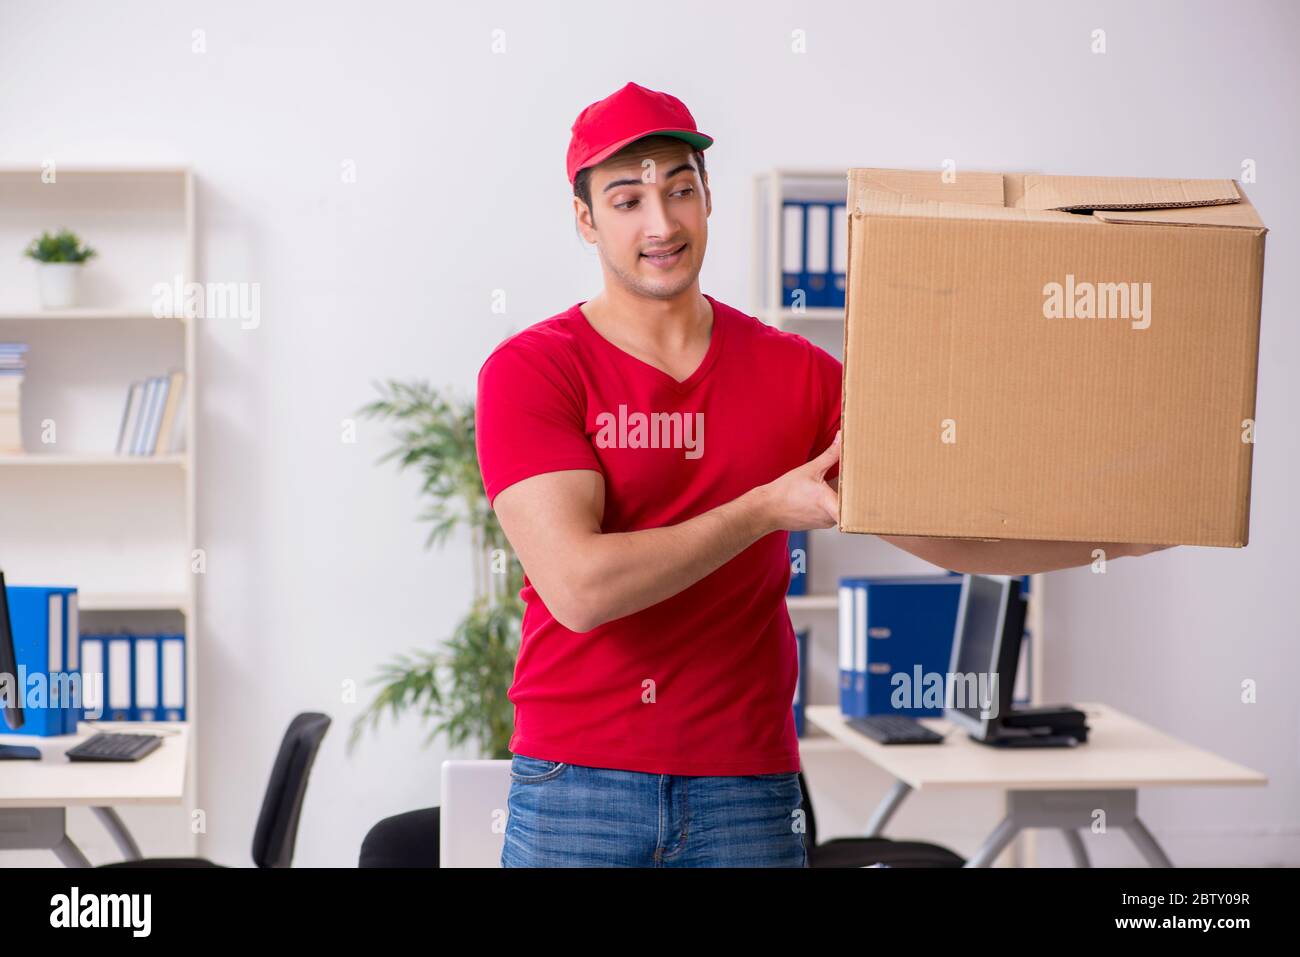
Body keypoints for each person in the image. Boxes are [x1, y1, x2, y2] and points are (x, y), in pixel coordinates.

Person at [475, 81, 1167, 868]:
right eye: (627, 199)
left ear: (707, 198)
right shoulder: (534, 372)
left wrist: (1118, 537)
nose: (661, 223)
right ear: (586, 219)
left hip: (744, 784)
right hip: (578, 786)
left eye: (679, 190)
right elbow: (580, 588)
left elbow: (946, 526)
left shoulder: (797, 373)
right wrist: (764, 509)